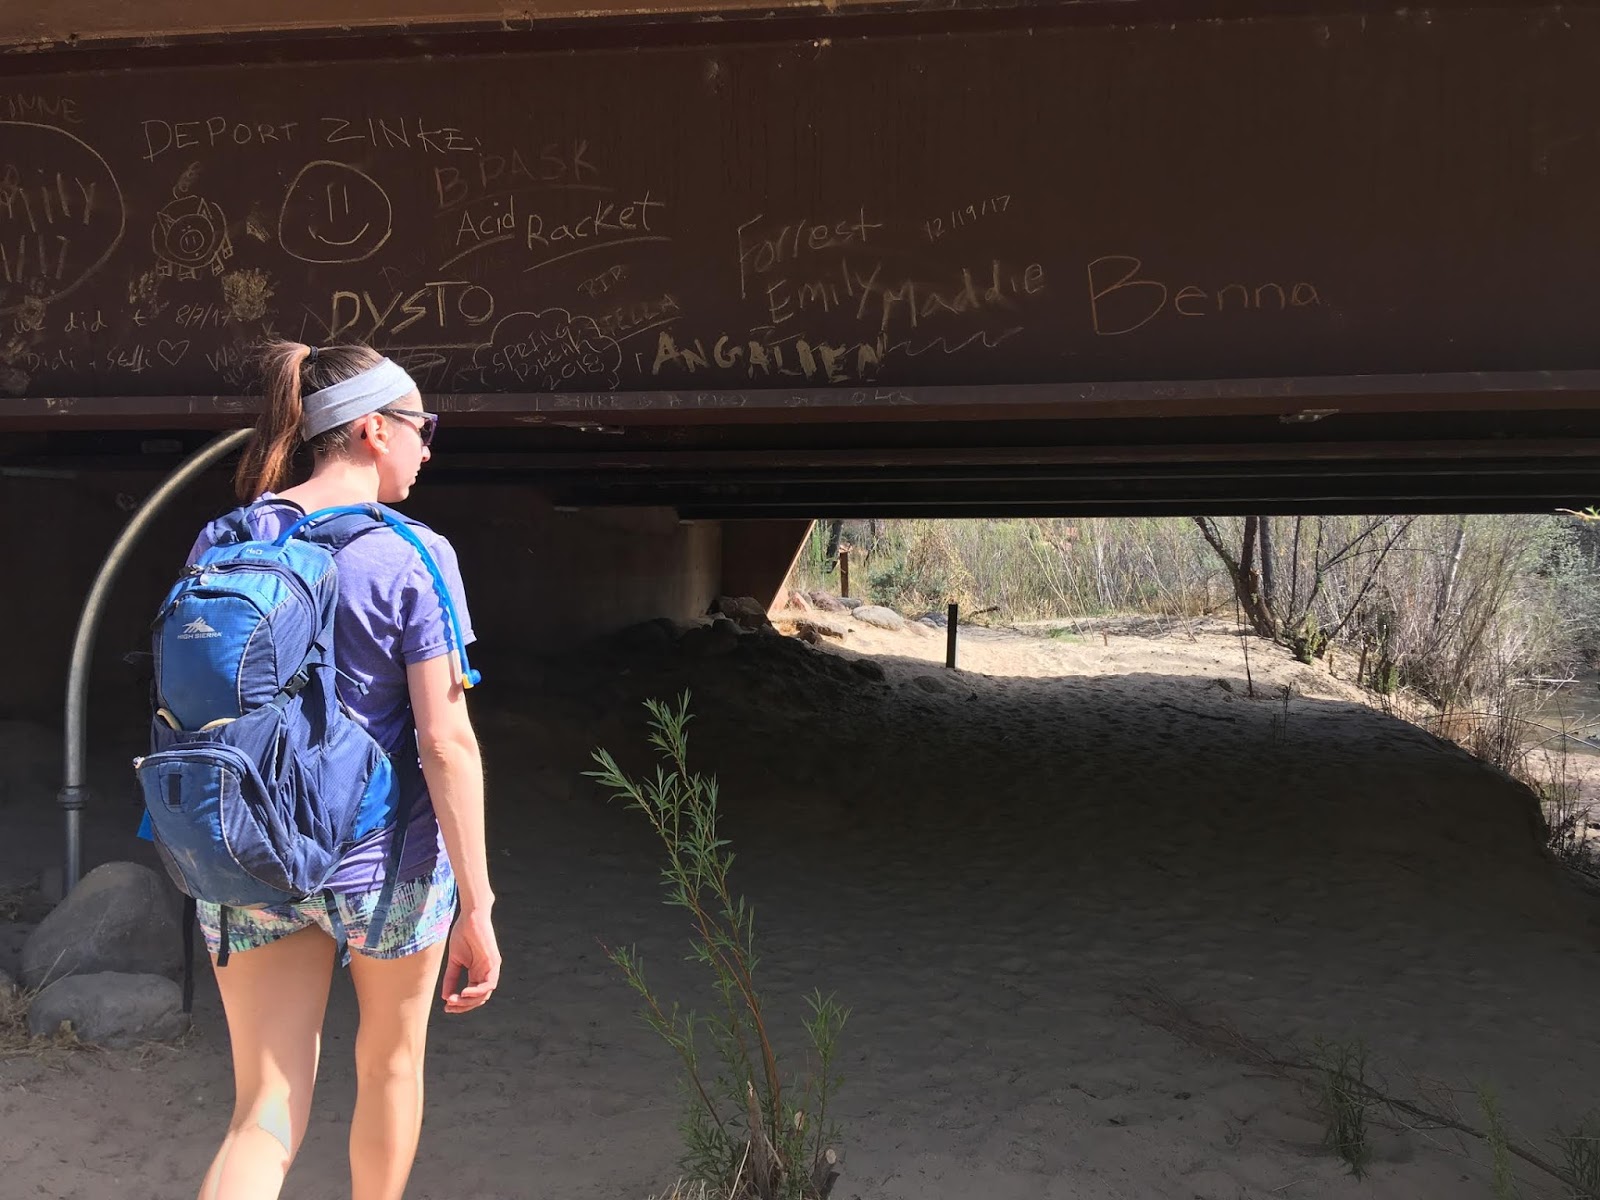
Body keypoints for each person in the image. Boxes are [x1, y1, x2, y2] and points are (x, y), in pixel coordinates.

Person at [188, 341, 501, 1200]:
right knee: (390, 1067)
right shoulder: (414, 554)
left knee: (263, 1109)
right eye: (420, 426)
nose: (428, 447)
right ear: (372, 430)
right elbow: (446, 741)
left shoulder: (226, 536)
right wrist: (476, 901)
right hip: (382, 865)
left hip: (246, 849)